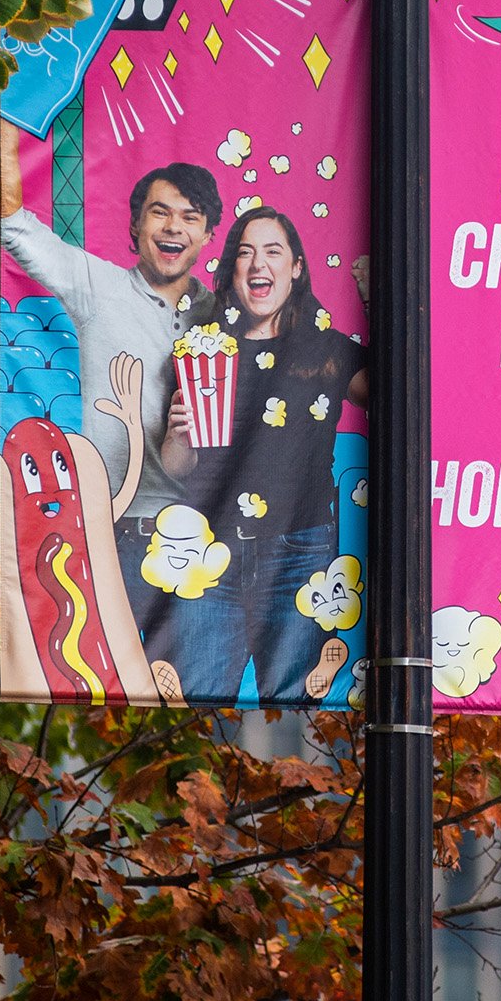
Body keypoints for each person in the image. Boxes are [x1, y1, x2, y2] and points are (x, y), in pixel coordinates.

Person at [0, 119, 223, 660]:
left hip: (200, 538)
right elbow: (13, 226)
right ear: (136, 225)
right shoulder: (97, 285)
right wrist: (11, 130)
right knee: (94, 674)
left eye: (190, 217)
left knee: (201, 694)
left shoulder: (225, 316)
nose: (174, 227)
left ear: (209, 234)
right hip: (108, 529)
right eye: (160, 212)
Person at [163, 205, 367, 704]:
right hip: (213, 550)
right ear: (231, 269)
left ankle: (322, 671)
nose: (259, 264)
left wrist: (376, 301)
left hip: (301, 550)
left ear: (296, 267)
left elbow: (403, 406)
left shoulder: (328, 351)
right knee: (201, 699)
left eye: (273, 251)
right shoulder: (198, 351)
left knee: (303, 702)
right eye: (246, 253)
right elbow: (175, 469)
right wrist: (177, 436)